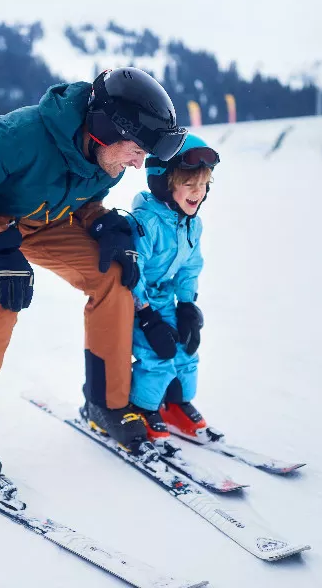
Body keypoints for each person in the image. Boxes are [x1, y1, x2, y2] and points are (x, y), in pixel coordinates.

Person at [0, 67, 188, 488]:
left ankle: (106, 404)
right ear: (106, 129)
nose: (137, 164)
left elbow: (82, 201)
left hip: (47, 222)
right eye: (136, 150)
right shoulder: (18, 136)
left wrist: (103, 223)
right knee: (1, 293)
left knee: (113, 273)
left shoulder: (102, 156)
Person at [126, 134, 219, 443]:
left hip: (166, 297)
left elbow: (190, 266)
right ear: (165, 184)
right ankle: (143, 407)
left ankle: (175, 403)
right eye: (189, 185)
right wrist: (148, 317)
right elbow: (132, 272)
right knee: (157, 354)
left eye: (203, 185)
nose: (198, 193)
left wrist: (187, 305)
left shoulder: (193, 223)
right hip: (139, 300)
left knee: (186, 349)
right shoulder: (146, 222)